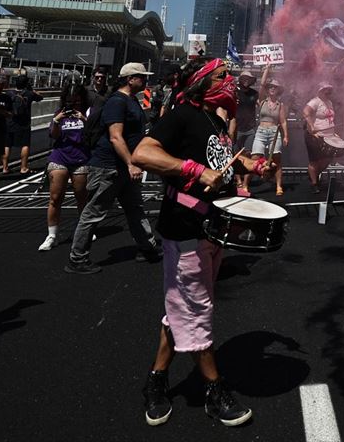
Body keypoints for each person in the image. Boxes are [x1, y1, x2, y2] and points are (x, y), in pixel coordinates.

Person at [133, 57, 274, 427]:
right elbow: (143, 153)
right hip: (185, 230)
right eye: (222, 76)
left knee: (180, 308)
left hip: (211, 228)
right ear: (201, 83)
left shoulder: (215, 122)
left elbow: (223, 162)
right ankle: (214, 391)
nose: (230, 81)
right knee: (196, 310)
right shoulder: (182, 114)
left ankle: (156, 381)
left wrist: (256, 166)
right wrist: (193, 171)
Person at [65, 63, 161, 274]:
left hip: (124, 168)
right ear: (130, 79)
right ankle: (77, 258)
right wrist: (130, 163)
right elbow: (115, 137)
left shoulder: (132, 100)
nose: (144, 80)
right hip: (109, 167)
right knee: (93, 213)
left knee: (135, 208)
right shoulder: (117, 102)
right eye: (141, 77)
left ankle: (147, 247)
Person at [39, 85, 91, 251]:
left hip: (80, 158)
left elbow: (93, 134)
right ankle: (52, 235)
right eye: (69, 102)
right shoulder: (59, 114)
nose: (73, 105)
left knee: (81, 196)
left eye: (76, 101)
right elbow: (54, 135)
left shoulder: (87, 113)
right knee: (55, 197)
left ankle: (85, 230)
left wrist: (84, 119)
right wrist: (57, 120)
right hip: (60, 157)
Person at [250, 77, 288, 195]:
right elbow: (261, 85)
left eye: (275, 87)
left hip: (274, 132)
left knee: (277, 159)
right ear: (267, 89)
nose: (272, 88)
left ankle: (278, 186)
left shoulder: (280, 104)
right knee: (255, 158)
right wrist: (267, 68)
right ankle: (245, 185)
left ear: (278, 90)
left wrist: (286, 135)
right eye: (270, 86)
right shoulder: (262, 101)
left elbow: (283, 121)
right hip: (261, 131)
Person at [302, 83, 338, 194]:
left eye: (329, 90)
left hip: (328, 136)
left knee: (327, 159)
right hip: (315, 136)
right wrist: (312, 127)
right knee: (314, 161)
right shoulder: (315, 101)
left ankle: (313, 175)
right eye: (325, 90)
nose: (328, 92)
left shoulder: (329, 102)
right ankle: (314, 183)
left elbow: (330, 119)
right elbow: (305, 112)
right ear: (320, 91)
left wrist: (334, 132)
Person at [8, 75, 42, 177]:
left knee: (7, 145)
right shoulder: (29, 94)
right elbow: (40, 97)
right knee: (25, 144)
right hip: (24, 123)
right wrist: (31, 89)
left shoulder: (9, 93)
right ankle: (23, 167)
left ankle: (5, 167)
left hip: (10, 122)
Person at [232, 70, 259, 156]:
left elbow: (261, 103)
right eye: (244, 78)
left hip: (250, 129)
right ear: (240, 79)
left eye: (248, 78)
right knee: (235, 155)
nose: (246, 80)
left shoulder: (254, 93)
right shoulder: (234, 91)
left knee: (248, 154)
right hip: (237, 129)